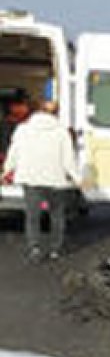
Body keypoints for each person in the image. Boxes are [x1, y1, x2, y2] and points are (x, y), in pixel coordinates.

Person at [3, 98, 79, 262]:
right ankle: (55, 250)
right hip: (55, 179)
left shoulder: (22, 129)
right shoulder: (61, 132)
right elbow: (68, 160)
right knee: (57, 215)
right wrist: (77, 178)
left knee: (32, 216)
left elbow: (14, 153)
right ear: (56, 113)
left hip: (30, 178)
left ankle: (35, 248)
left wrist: (5, 172)